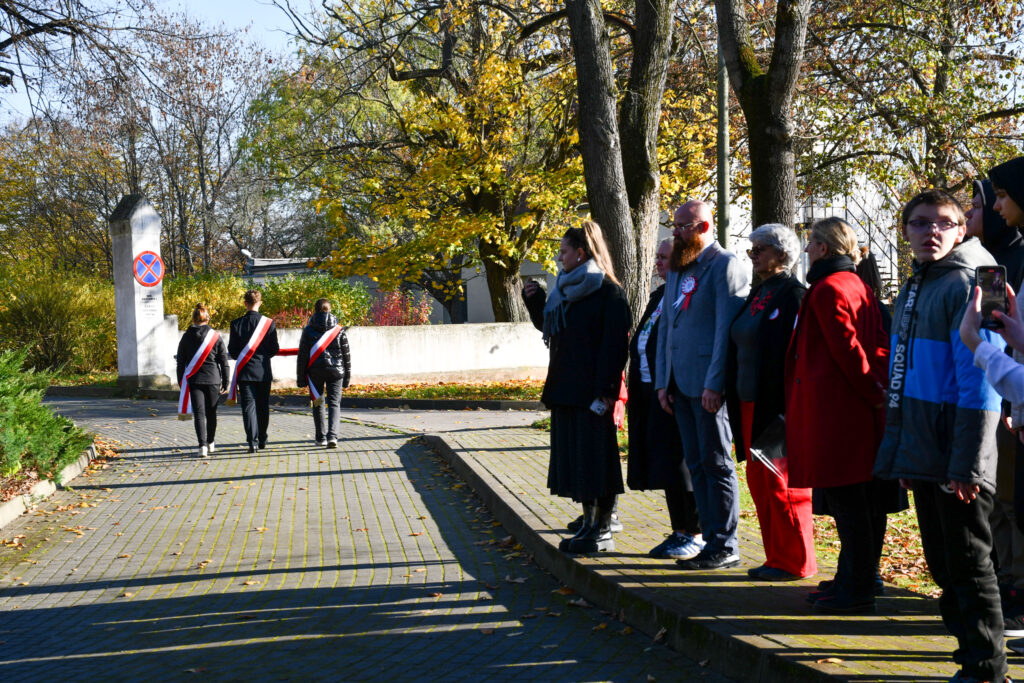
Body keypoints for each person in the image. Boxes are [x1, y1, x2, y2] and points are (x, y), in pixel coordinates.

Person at [874, 189, 1007, 682]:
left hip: (961, 450)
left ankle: (987, 668)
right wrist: (909, 452)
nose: (931, 231)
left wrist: (967, 463)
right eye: (920, 222)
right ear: (904, 229)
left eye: (944, 222)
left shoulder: (985, 279)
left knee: (970, 564)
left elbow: (986, 381)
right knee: (943, 565)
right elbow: (908, 374)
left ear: (962, 229)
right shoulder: (915, 283)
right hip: (926, 446)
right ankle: (969, 659)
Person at [786, 217, 890, 613]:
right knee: (858, 504)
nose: (807, 248)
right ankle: (852, 577)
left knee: (849, 507)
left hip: (836, 412)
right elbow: (878, 343)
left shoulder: (828, 289)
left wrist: (870, 391)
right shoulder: (858, 285)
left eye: (811, 242)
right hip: (856, 410)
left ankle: (858, 586)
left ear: (825, 249)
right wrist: (876, 390)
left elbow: (848, 351)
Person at [523, 221, 631, 554]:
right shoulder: (564, 291)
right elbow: (554, 328)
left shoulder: (607, 292)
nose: (559, 259)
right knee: (577, 462)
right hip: (566, 390)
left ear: (580, 253)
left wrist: (604, 393)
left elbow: (614, 348)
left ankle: (602, 530)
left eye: (563, 252)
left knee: (596, 461)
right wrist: (536, 301)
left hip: (592, 394)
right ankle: (588, 524)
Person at [655, 200, 750, 570]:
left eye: (683, 226)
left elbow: (726, 331)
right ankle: (709, 540)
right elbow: (668, 327)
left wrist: (716, 383)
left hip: (709, 388)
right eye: (674, 225)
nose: (675, 232)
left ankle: (726, 544)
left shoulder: (725, 265)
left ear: (704, 228)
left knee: (716, 465)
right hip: (679, 386)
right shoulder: (680, 266)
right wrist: (664, 381)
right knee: (695, 464)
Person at [725, 224, 815, 581]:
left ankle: (798, 561)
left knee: (782, 484)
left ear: (782, 253)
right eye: (751, 250)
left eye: (759, 249)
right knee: (759, 483)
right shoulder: (759, 292)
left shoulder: (794, 295)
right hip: (748, 403)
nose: (754, 255)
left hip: (777, 407)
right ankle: (776, 556)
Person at [967, 173, 1024, 635]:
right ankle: (1008, 582)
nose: (983, 211)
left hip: (1009, 395)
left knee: (1011, 498)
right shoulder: (988, 262)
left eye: (998, 197)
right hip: (1002, 393)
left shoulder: (1018, 259)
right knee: (1002, 499)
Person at [628, 238, 703, 561]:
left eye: (664, 257)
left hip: (678, 390)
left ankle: (696, 532)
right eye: (656, 256)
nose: (658, 262)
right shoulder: (660, 294)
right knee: (667, 464)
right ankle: (679, 530)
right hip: (651, 391)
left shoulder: (688, 293)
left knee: (683, 464)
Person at [228, 289, 280, 453]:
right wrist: (263, 357)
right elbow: (274, 349)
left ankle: (252, 441)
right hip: (263, 371)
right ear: (260, 303)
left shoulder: (236, 324)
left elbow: (234, 352)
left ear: (245, 303)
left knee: (248, 407)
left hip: (245, 372)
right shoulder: (269, 323)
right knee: (262, 406)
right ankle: (263, 438)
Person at [176, 304, 229, 458]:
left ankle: (202, 446)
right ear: (207, 318)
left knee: (199, 413)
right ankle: (211, 442)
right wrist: (226, 381)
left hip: (194, 380)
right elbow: (223, 361)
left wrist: (181, 382)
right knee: (211, 412)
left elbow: (180, 362)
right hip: (213, 379)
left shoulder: (186, 336)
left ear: (193, 318)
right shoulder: (215, 336)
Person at [297, 298, 351, 448]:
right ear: (330, 309)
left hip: (315, 372)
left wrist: (301, 378)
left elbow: (302, 356)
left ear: (315, 310)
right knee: (334, 403)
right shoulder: (339, 330)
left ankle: (320, 438)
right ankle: (333, 436)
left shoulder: (308, 330)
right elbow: (347, 356)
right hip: (336, 372)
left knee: (318, 403)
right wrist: (347, 377)